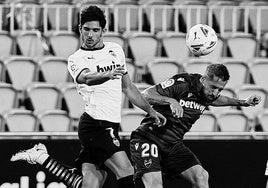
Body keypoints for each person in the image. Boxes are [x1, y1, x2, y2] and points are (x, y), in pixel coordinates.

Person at [10, 5, 166, 188]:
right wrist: (106, 75)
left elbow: (128, 88)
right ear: (80, 29)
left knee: (88, 184)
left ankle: (41, 157)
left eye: (95, 30)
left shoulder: (115, 50)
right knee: (126, 171)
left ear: (103, 31)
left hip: (111, 124)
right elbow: (86, 78)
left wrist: (151, 111)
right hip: (95, 126)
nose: (90, 35)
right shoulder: (76, 59)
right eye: (86, 29)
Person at [129, 63, 261, 188]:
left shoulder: (208, 95)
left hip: (173, 145)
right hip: (148, 138)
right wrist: (171, 101)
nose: (215, 93)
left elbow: (218, 99)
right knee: (155, 184)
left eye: (220, 89)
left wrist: (243, 102)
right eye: (213, 87)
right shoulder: (184, 83)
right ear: (203, 80)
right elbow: (145, 95)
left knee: (201, 176)